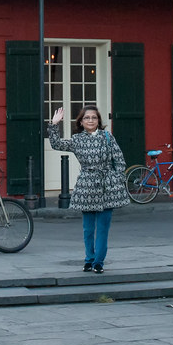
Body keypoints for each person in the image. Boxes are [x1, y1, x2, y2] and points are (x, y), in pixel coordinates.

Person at [49, 104, 129, 273]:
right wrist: (54, 124)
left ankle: (98, 262)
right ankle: (89, 259)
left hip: (108, 186)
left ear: (98, 120)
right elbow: (56, 144)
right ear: (81, 122)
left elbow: (120, 161)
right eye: (87, 118)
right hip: (87, 187)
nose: (90, 120)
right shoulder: (77, 140)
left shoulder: (107, 137)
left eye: (93, 117)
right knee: (88, 229)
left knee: (103, 228)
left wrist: (117, 179)